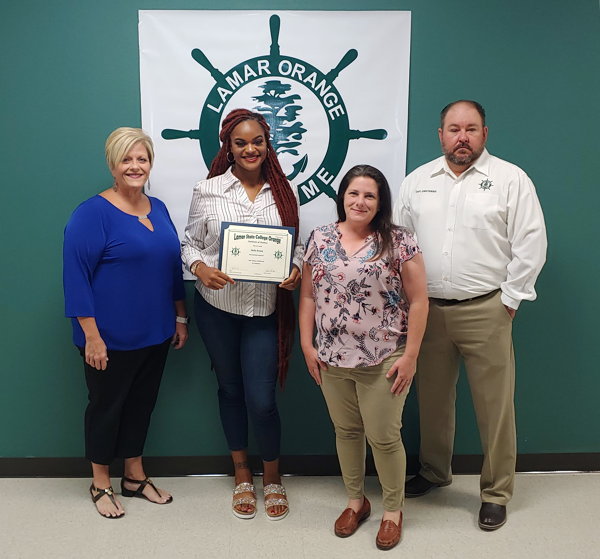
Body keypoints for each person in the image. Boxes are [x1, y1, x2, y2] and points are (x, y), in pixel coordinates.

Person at [394, 100, 547, 531]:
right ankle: (434, 471)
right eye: (453, 129)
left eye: (471, 129)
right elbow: (398, 243)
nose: (462, 137)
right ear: (439, 134)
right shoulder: (417, 182)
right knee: (433, 399)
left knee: (495, 406)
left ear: (485, 133)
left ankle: (496, 492)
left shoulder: (510, 180)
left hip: (487, 309)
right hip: (428, 311)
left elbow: (531, 241)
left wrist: (511, 299)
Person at [299, 165, 429, 550]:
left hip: (386, 356)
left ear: (380, 202)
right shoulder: (320, 237)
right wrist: (307, 345)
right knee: (346, 432)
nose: (360, 202)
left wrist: (412, 357)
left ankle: (393, 510)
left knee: (385, 437)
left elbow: (420, 301)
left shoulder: (399, 241)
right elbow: (307, 296)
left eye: (369, 195)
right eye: (354, 193)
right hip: (331, 358)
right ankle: (357, 502)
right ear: (342, 196)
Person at [181, 109, 302, 520]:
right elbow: (190, 244)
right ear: (228, 148)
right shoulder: (208, 190)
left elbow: (296, 247)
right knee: (230, 391)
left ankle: (273, 478)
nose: (250, 149)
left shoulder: (284, 192)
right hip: (217, 310)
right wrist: (200, 268)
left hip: (264, 312)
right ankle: (242, 474)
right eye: (240, 143)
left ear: (268, 146)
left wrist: (296, 269)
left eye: (257, 142)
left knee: (262, 401)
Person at [63, 127, 188, 518]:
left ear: (150, 164)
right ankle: (101, 482)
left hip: (156, 331)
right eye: (127, 159)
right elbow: (75, 277)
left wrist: (180, 315)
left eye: (142, 159)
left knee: (141, 406)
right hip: (109, 337)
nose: (135, 166)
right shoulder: (91, 214)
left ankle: (134, 478)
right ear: (113, 165)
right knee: (106, 407)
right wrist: (92, 337)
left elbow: (171, 268)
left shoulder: (159, 208)